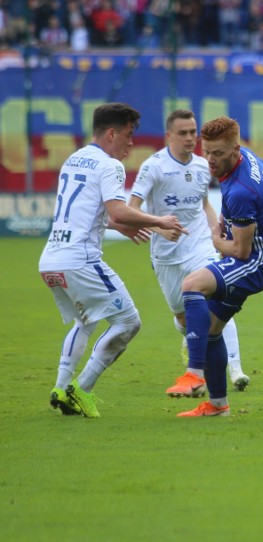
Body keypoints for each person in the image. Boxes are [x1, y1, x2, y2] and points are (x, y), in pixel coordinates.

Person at [40, 103, 186, 418]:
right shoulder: (110, 165)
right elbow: (118, 210)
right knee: (128, 321)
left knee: (87, 320)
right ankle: (81, 389)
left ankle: (60, 386)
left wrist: (121, 225)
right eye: (128, 135)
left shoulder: (74, 158)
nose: (131, 144)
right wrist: (158, 221)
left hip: (51, 258)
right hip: (80, 259)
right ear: (111, 133)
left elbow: (93, 212)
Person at [166, 117, 263, 417]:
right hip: (257, 254)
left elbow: (240, 250)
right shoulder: (250, 158)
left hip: (254, 262)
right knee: (213, 332)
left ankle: (193, 373)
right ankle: (218, 406)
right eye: (208, 152)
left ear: (235, 149)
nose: (211, 160)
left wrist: (217, 238)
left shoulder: (240, 192)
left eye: (218, 153)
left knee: (192, 285)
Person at [129, 109, 250, 394]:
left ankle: (235, 368)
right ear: (168, 136)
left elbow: (205, 204)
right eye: (182, 133)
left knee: (216, 304)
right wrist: (159, 228)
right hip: (167, 254)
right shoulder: (153, 167)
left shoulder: (201, 165)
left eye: (192, 132)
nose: (189, 138)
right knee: (184, 317)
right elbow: (132, 209)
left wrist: (216, 235)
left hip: (200, 246)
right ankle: (190, 339)